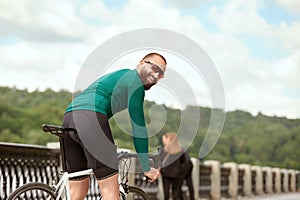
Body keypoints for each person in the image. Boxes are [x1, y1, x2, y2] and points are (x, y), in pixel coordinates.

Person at [61, 53, 167, 199]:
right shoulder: (134, 82)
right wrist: (146, 166)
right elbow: (138, 128)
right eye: (155, 67)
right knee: (110, 193)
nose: (156, 74)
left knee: (76, 193)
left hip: (69, 118)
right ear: (141, 63)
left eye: (161, 73)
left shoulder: (121, 76)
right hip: (90, 118)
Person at [160, 132, 194, 200]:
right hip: (176, 174)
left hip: (166, 174)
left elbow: (160, 161)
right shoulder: (180, 151)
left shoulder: (164, 150)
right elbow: (183, 161)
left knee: (166, 194)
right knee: (175, 193)